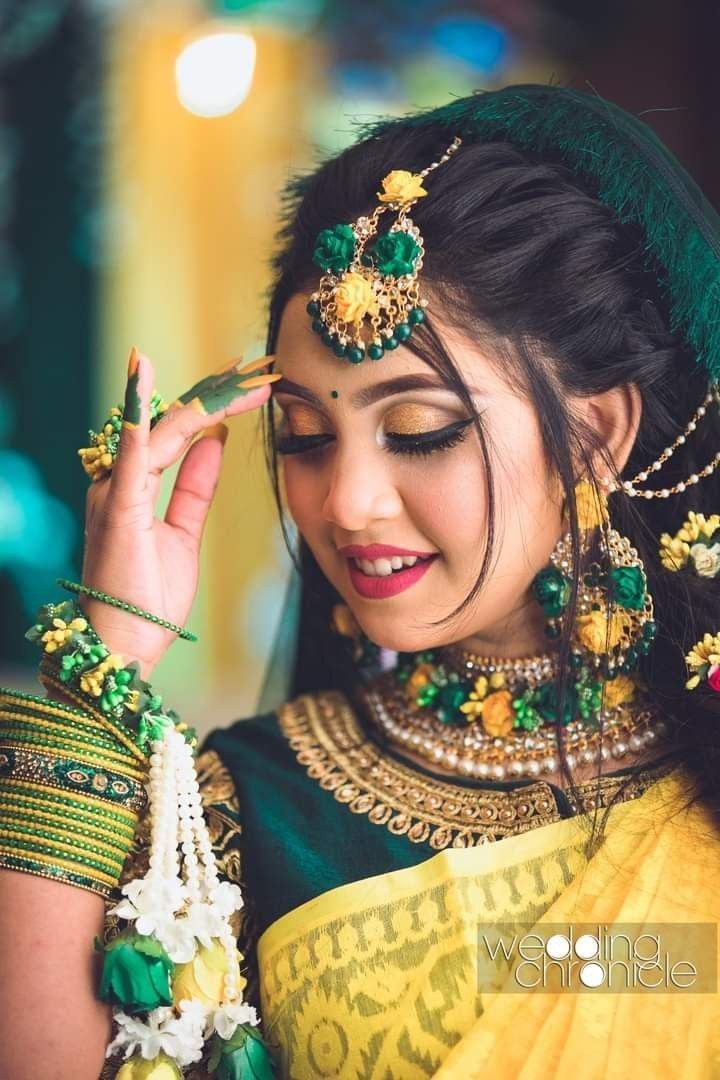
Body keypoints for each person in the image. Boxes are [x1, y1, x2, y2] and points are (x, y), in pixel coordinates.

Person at [1, 83, 720, 1080]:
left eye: (420, 432)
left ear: (594, 435)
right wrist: (109, 649)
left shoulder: (701, 769)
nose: (346, 504)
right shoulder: (244, 808)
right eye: (303, 437)